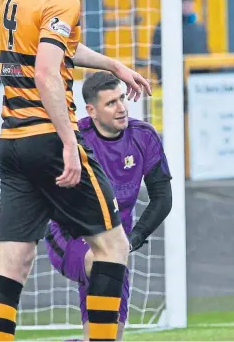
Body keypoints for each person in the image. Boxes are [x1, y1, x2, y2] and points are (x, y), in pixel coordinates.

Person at [0, 0, 152, 342]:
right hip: (47, 138)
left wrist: (114, 64)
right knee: (113, 246)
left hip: (12, 143)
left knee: (13, 262)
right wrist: (67, 142)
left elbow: (62, 49)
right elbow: (46, 71)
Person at [45, 72, 172, 341]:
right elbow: (51, 196)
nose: (122, 108)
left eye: (123, 98)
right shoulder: (74, 141)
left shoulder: (143, 137)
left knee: (109, 338)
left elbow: (162, 198)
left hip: (117, 249)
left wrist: (133, 239)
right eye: (111, 102)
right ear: (91, 110)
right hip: (70, 238)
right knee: (102, 259)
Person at [151, 0, 209, 82]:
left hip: (198, 80)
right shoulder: (165, 27)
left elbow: (205, 52)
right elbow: (156, 55)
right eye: (185, 2)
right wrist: (164, 79)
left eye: (190, 2)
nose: (189, 6)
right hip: (174, 79)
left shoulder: (199, 27)